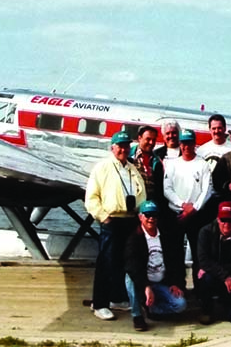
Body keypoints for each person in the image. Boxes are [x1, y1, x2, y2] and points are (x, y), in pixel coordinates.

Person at [85, 131, 147, 321]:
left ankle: (117, 297)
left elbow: (142, 193)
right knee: (106, 262)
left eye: (126, 146)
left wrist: (140, 216)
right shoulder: (102, 168)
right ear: (112, 147)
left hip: (129, 219)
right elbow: (91, 197)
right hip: (111, 219)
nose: (123, 149)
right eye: (119, 146)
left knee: (124, 261)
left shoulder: (131, 168)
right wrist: (103, 217)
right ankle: (99, 303)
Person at [125, 201, 187, 331]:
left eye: (154, 215)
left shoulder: (166, 235)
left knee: (180, 305)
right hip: (144, 282)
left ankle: (151, 309)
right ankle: (137, 316)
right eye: (147, 215)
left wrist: (175, 282)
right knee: (129, 278)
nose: (151, 218)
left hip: (161, 281)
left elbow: (175, 261)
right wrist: (145, 286)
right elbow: (132, 266)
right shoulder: (134, 238)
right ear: (140, 217)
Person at [163, 129, 213, 289]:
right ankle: (178, 286)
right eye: (183, 143)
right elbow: (167, 188)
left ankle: (200, 290)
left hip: (196, 216)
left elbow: (207, 190)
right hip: (176, 214)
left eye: (189, 142)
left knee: (199, 255)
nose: (186, 146)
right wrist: (182, 205)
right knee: (174, 254)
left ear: (194, 144)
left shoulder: (203, 164)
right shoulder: (172, 164)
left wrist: (194, 209)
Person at [197, 201, 231, 325]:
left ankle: (226, 302)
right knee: (205, 277)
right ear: (217, 219)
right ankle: (206, 310)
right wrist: (225, 276)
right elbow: (203, 260)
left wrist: (219, 271)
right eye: (223, 220)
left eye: (230, 220)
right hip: (216, 277)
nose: (226, 224)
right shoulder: (205, 232)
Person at [131, 125, 165, 211]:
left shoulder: (157, 161)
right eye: (148, 139)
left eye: (153, 140)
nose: (151, 143)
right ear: (139, 138)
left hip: (147, 210)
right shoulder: (129, 156)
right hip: (130, 207)